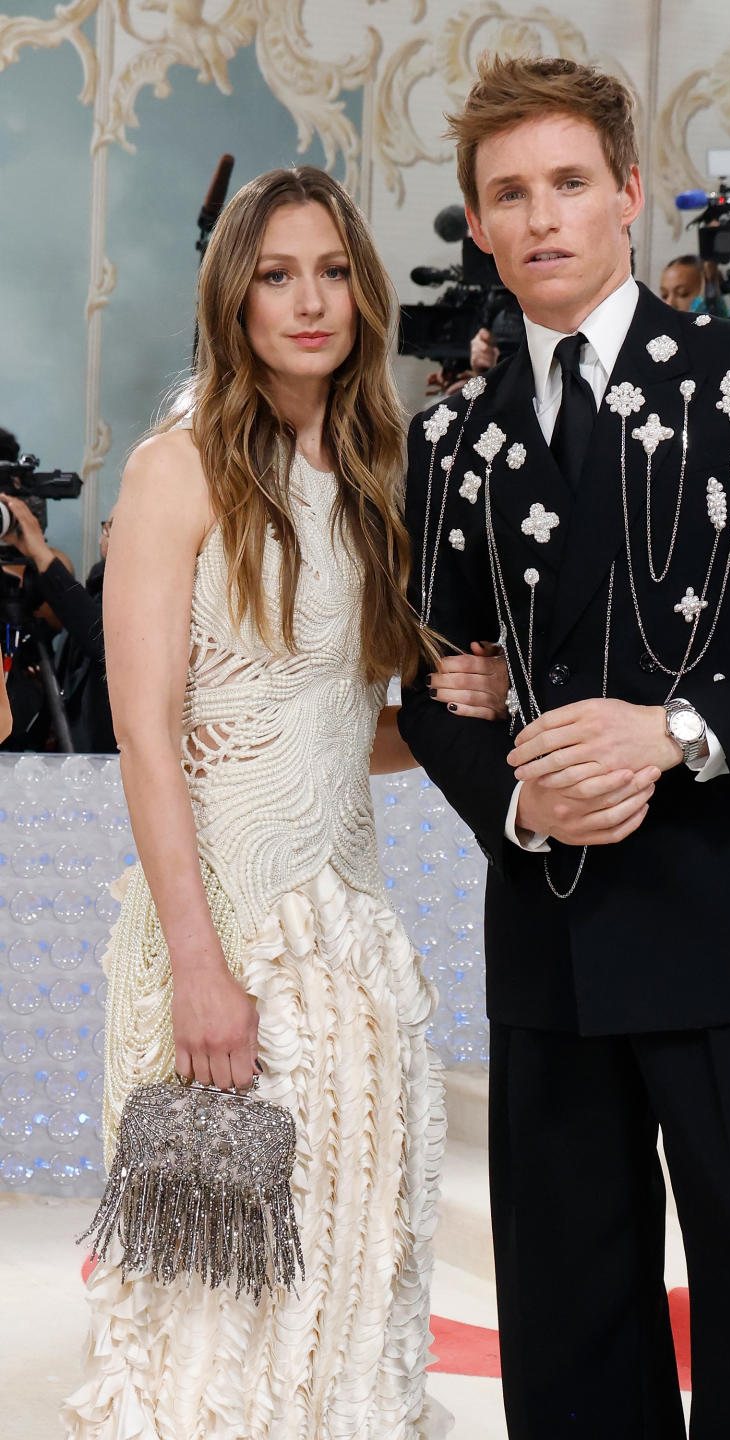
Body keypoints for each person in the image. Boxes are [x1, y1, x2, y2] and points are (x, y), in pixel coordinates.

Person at [398, 54, 730, 1438]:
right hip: (553, 935)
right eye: (507, 194)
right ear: (481, 223)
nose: (540, 216)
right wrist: (521, 808)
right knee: (568, 1320)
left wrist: (676, 731)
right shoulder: (452, 437)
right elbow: (426, 686)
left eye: (569, 183)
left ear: (627, 196)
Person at [62, 165, 507, 1439]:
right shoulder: (179, 468)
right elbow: (146, 735)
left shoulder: (375, 475)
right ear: (234, 297)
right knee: (218, 1318)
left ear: (363, 291)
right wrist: (201, 967)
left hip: (351, 943)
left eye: (329, 272)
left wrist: (458, 710)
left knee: (353, 1292)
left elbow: (332, 729)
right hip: (224, 941)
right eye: (275, 274)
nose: (308, 302)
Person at [0, 492, 117, 751]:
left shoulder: (136, 594)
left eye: (111, 527)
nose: (104, 536)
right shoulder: (97, 589)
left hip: (101, 762)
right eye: (107, 527)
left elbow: (101, 640)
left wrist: (41, 555)